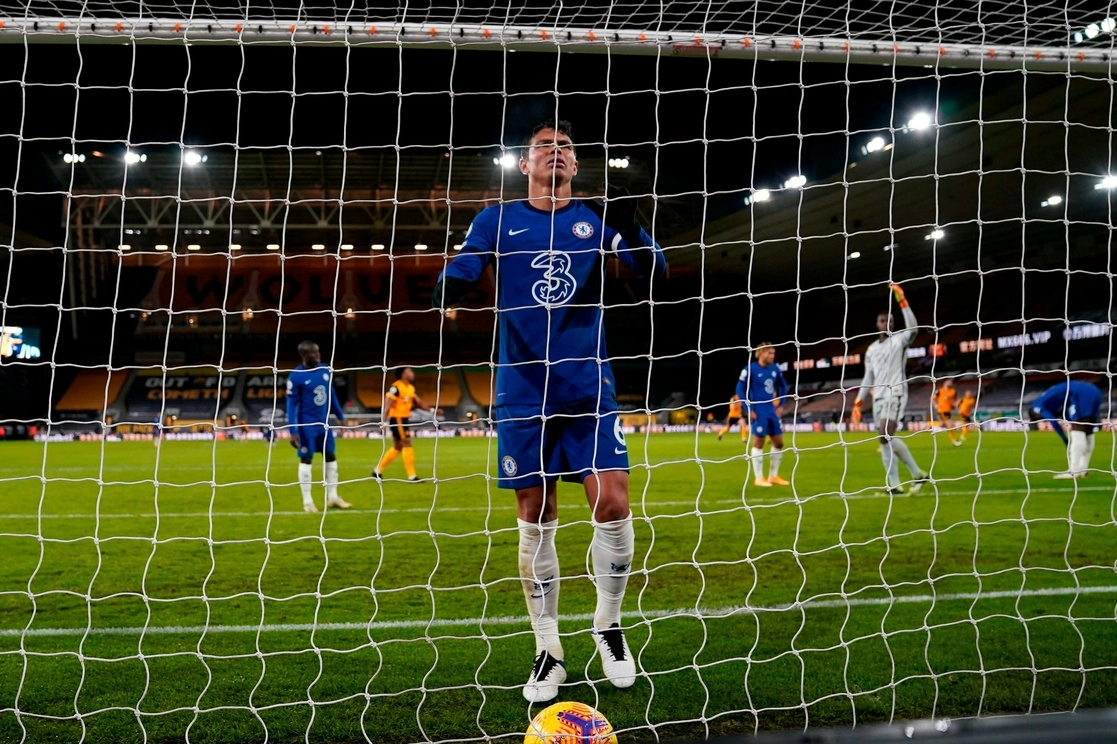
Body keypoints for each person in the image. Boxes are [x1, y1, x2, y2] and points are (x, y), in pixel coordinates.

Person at [432, 119, 666, 703]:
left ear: (576, 165)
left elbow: (650, 270)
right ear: (524, 165)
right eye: (544, 148)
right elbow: (466, 264)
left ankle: (608, 626)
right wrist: (448, 286)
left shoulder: (595, 220)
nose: (555, 153)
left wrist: (632, 227)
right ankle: (549, 650)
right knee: (536, 512)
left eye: (565, 147)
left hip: (588, 386)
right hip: (520, 388)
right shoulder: (498, 219)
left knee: (612, 502)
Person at [852, 284, 929, 495]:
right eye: (883, 320)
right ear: (877, 324)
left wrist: (902, 301)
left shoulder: (900, 340)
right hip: (877, 397)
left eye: (890, 321)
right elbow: (869, 375)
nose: (886, 323)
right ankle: (896, 484)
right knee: (884, 440)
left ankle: (917, 474)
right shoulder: (871, 349)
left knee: (885, 434)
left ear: (894, 325)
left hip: (895, 392)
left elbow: (913, 329)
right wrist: (858, 402)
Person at [286, 341, 351, 512]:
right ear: (304, 355)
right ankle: (308, 502)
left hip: (325, 424)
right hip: (306, 425)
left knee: (331, 456)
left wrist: (340, 416)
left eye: (317, 351)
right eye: (313, 353)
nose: (317, 355)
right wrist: (292, 431)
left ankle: (333, 497)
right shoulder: (296, 376)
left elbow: (332, 395)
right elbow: (291, 405)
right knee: (306, 459)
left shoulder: (325, 370)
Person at [372, 367, 442, 482]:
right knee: (407, 443)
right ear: (404, 374)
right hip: (397, 419)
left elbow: (418, 403)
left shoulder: (410, 388)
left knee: (397, 447)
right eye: (410, 371)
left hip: (404, 419)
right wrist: (383, 423)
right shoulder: (396, 387)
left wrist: (432, 411)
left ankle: (377, 471)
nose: (412, 373)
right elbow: (387, 405)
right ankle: (412, 476)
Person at [736, 343, 790, 487]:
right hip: (758, 410)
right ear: (761, 353)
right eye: (769, 353)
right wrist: (748, 408)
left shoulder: (775, 369)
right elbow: (739, 389)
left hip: (772, 409)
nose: (772, 356)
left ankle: (773, 476)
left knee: (779, 442)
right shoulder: (750, 369)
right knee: (758, 442)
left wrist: (782, 405)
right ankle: (759, 478)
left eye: (773, 353)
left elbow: (783, 386)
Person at [1029, 380, 1103, 479]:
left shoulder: (1037, 406)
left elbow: (1053, 421)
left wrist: (1064, 439)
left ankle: (1074, 471)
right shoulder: (1052, 401)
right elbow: (1067, 414)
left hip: (1080, 393)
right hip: (1094, 391)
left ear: (1034, 414)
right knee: (1088, 432)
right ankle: (1083, 469)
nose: (1043, 419)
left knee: (1078, 432)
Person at [932, 379, 962, 446]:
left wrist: (957, 406)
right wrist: (935, 405)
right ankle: (954, 441)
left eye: (951, 382)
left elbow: (954, 402)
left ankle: (934, 428)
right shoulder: (940, 391)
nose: (950, 383)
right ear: (944, 383)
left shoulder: (953, 391)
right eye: (949, 381)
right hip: (942, 410)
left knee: (942, 424)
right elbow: (933, 398)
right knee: (950, 425)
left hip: (948, 410)